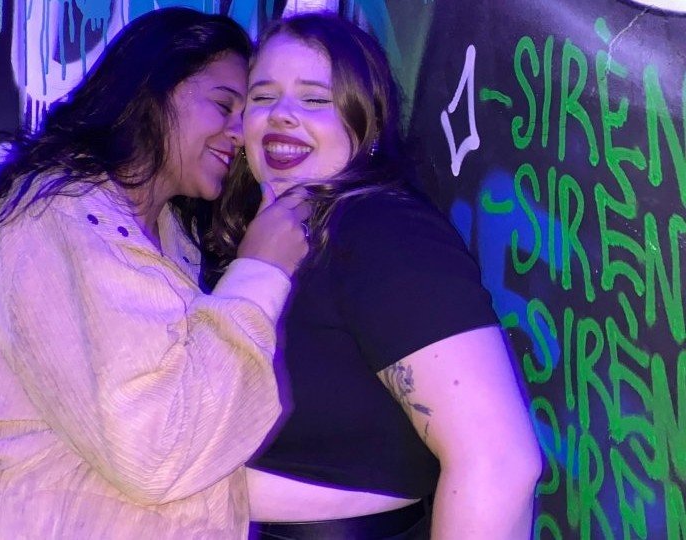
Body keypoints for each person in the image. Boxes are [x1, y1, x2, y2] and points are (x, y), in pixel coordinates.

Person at [0, 8, 310, 538]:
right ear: (151, 93)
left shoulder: (166, 233)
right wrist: (260, 273)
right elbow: (156, 451)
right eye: (223, 105)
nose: (240, 132)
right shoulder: (62, 215)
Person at [210, 13, 541, 539]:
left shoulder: (383, 231)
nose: (282, 115)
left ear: (365, 120)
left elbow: (499, 463)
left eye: (314, 99)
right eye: (263, 96)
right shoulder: (254, 237)